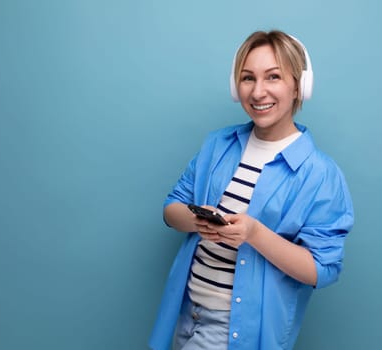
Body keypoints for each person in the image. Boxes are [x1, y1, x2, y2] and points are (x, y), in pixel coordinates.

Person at [149, 30, 354, 350]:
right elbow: (172, 208)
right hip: (187, 313)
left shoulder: (320, 174)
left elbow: (321, 269)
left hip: (235, 328)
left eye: (273, 77)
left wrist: (254, 234)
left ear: (299, 85)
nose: (258, 92)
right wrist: (199, 221)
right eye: (247, 78)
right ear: (236, 86)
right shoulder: (217, 145)